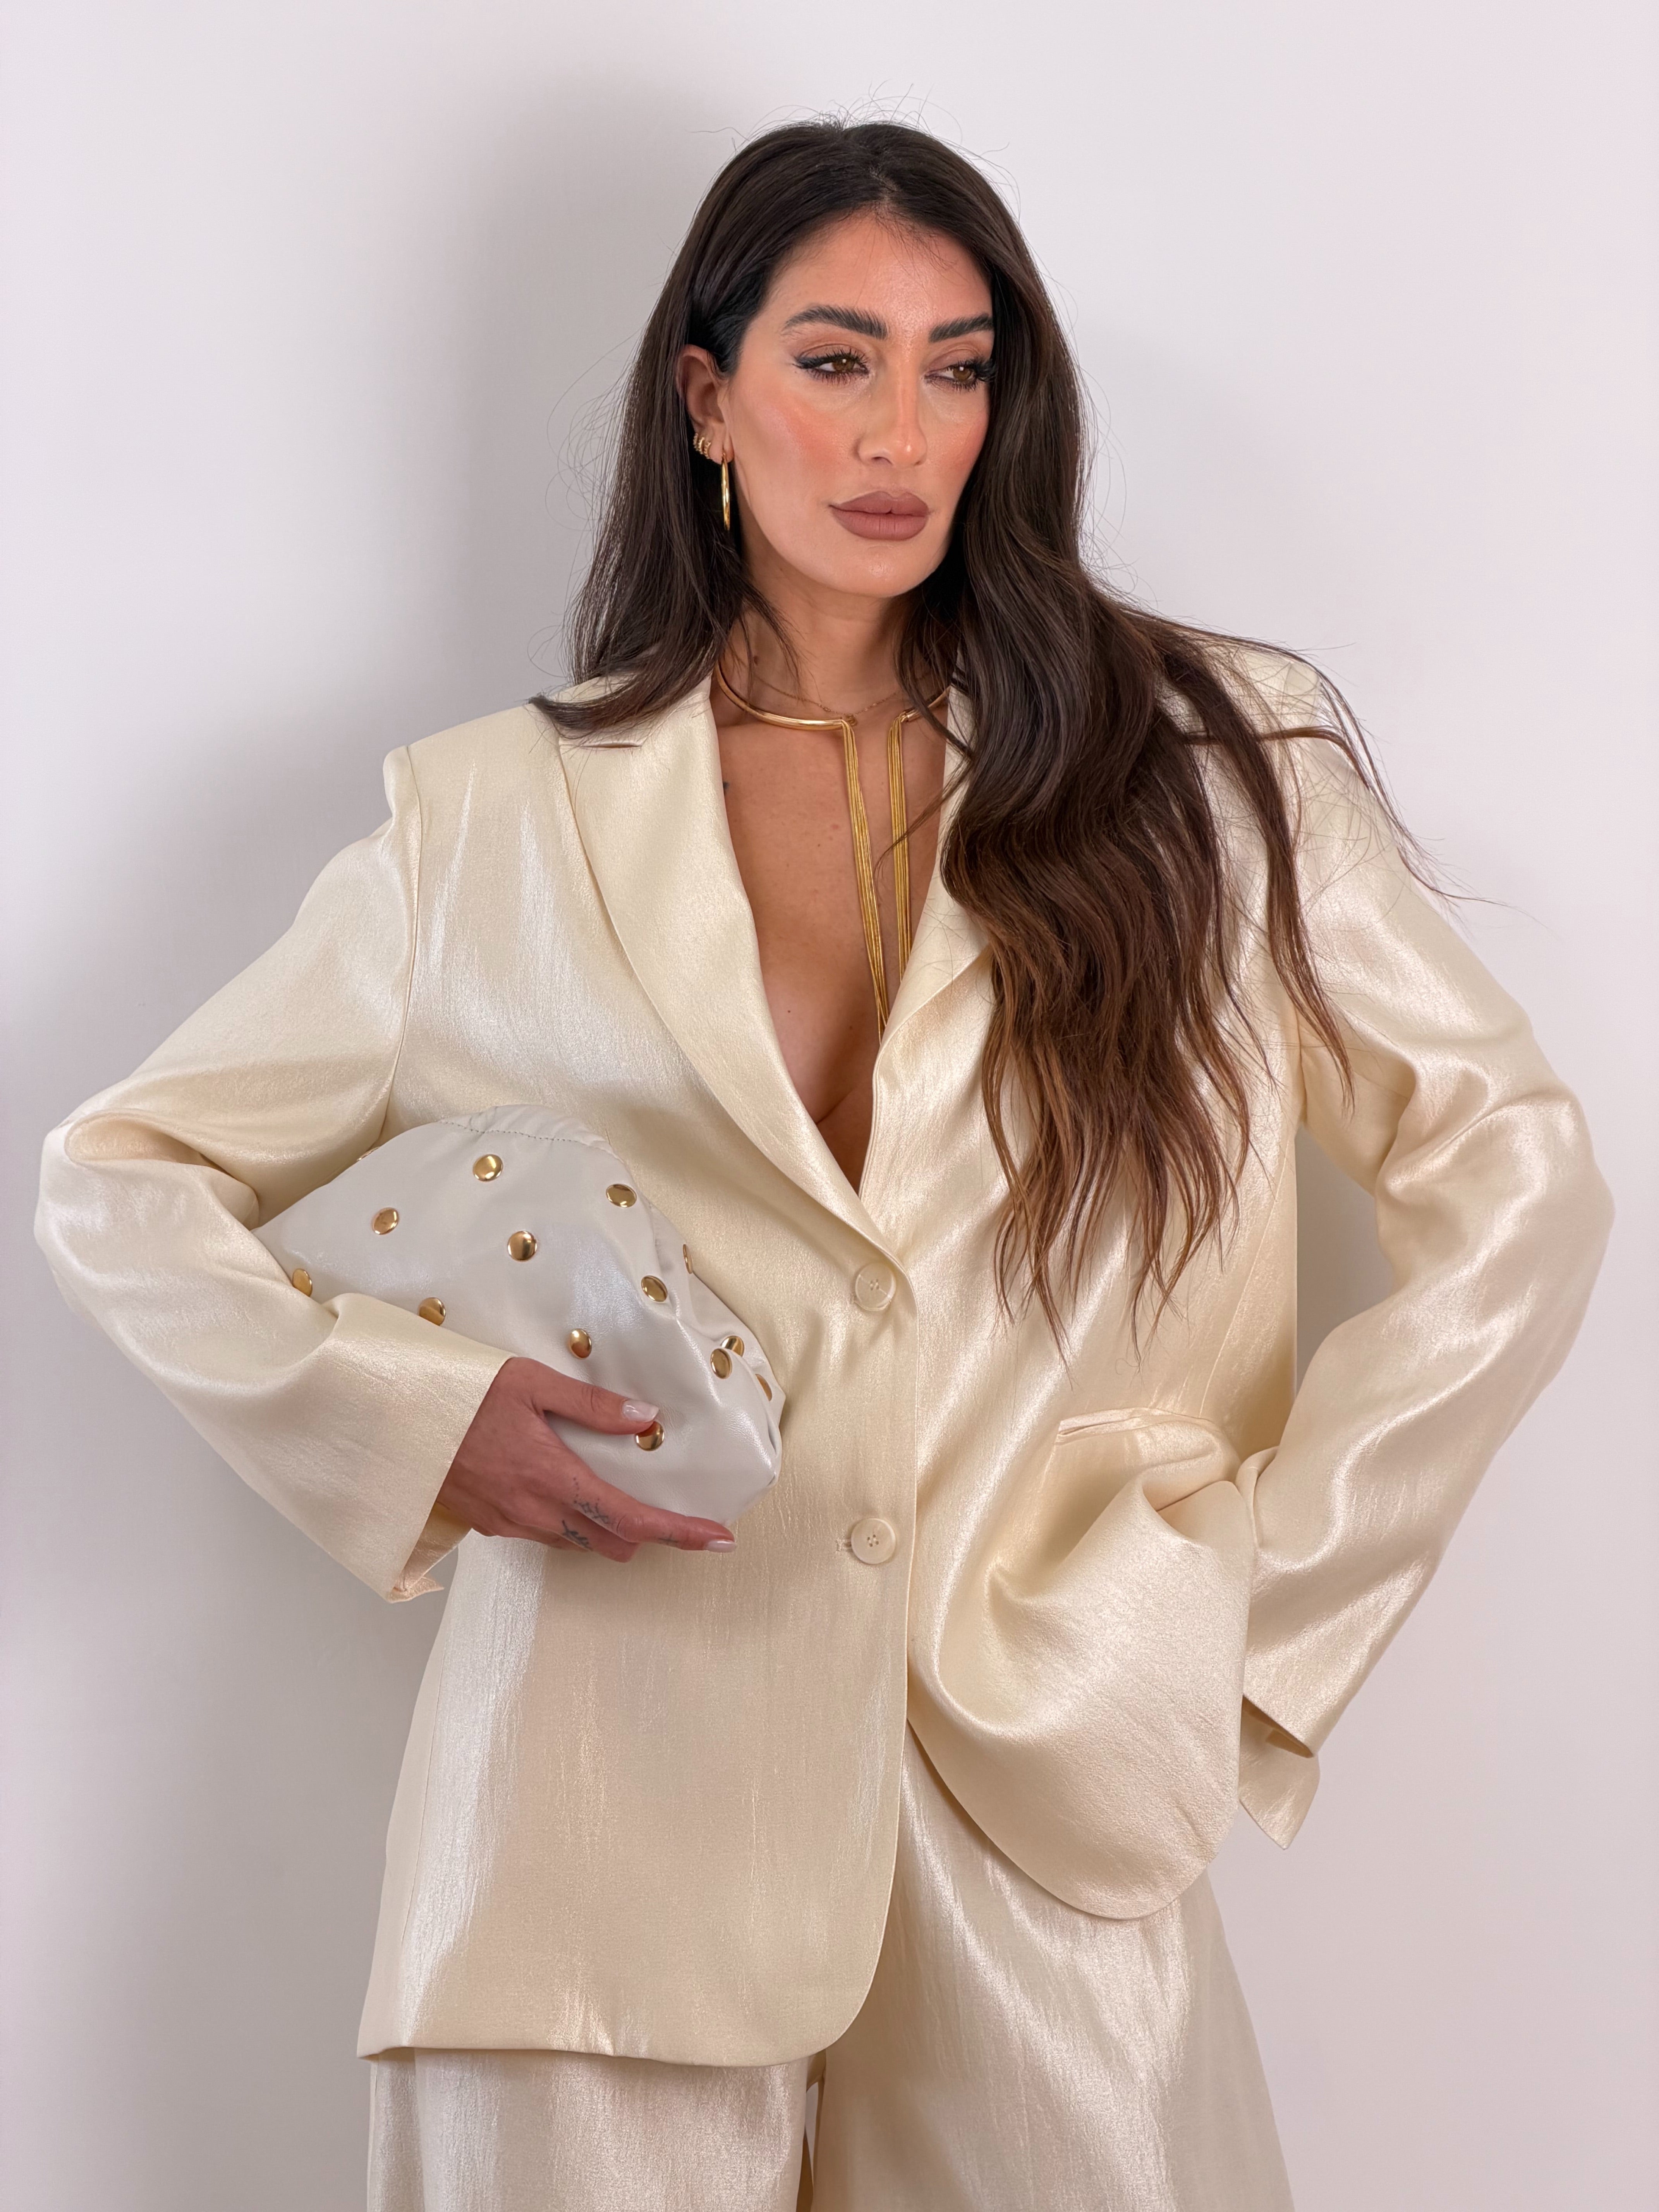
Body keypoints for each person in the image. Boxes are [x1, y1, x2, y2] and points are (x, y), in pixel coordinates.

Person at [33, 118, 1611, 2212]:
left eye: (959, 369)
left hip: (1041, 1788)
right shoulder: (491, 822)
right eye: (838, 360)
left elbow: (1519, 1174)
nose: (901, 434)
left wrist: (1239, 1603)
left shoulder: (1203, 768)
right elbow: (121, 1176)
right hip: (588, 1831)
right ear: (707, 399)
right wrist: (413, 1424)